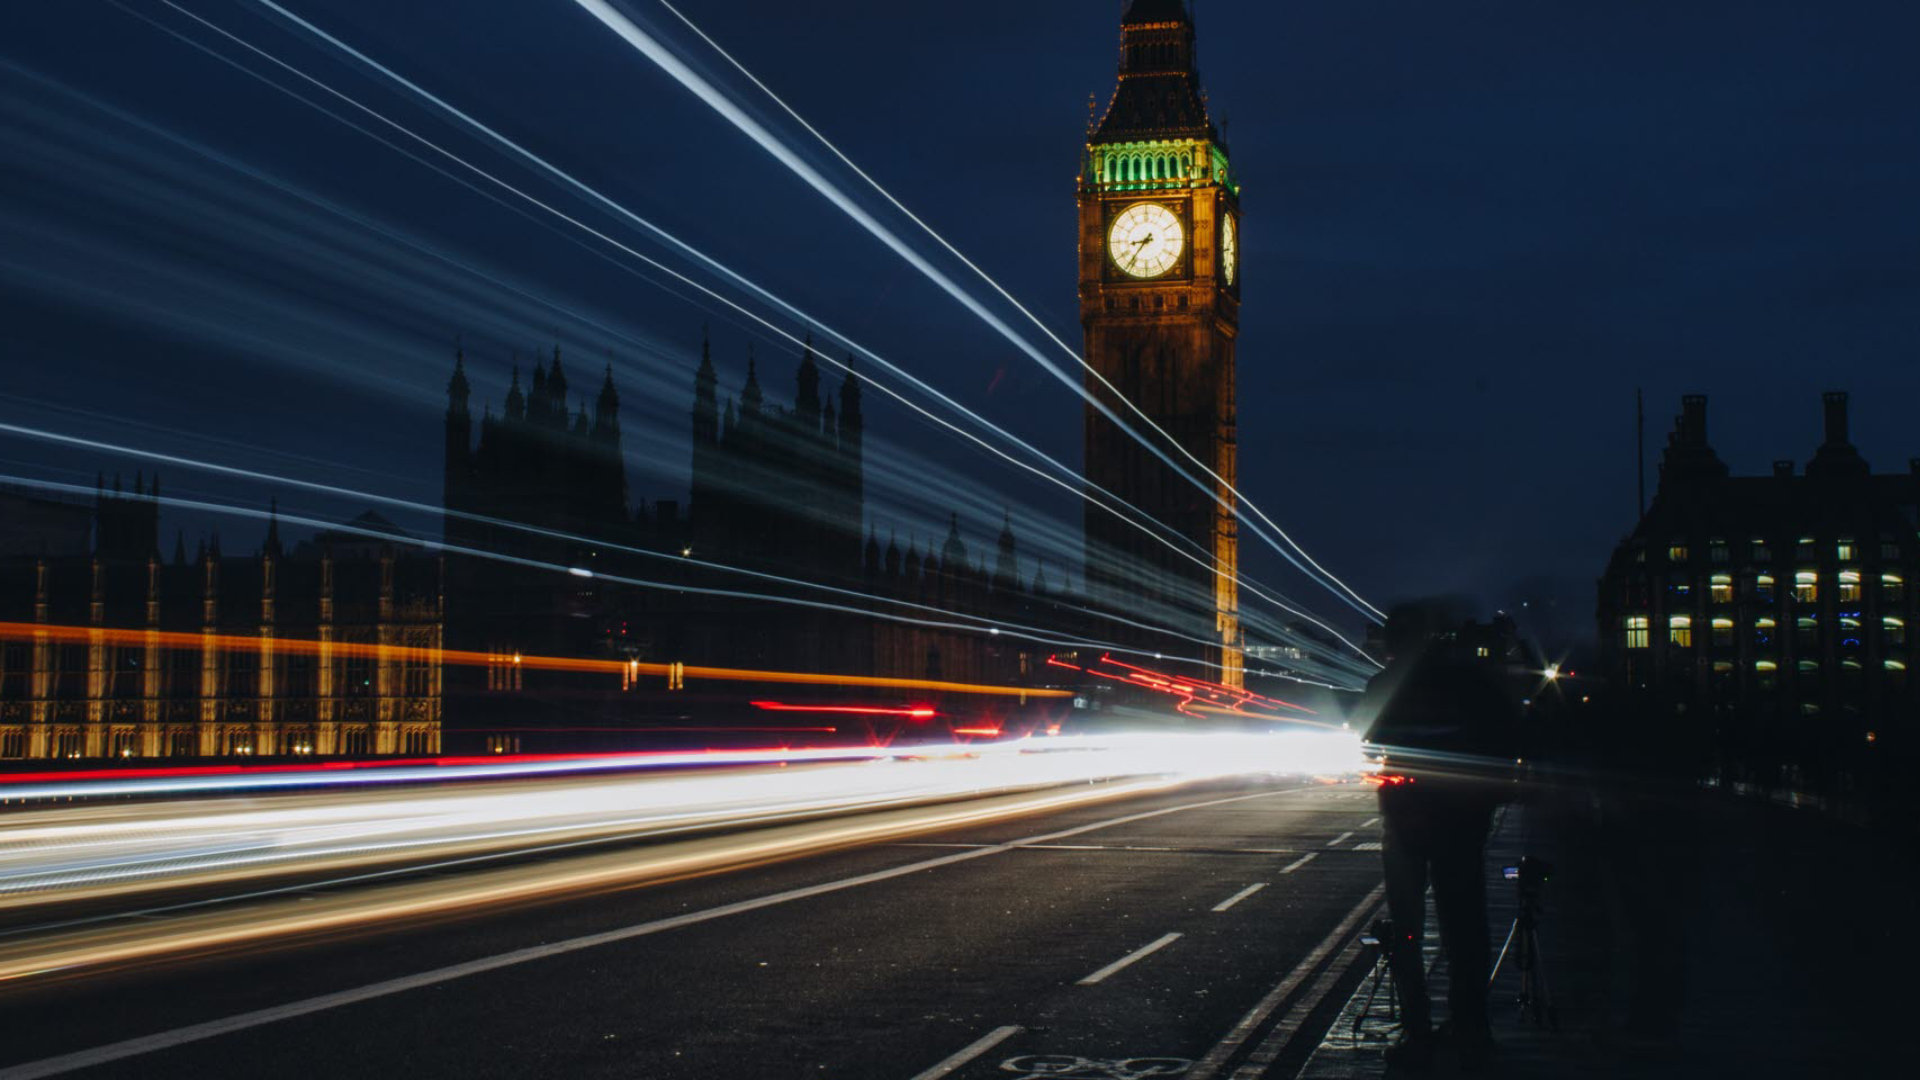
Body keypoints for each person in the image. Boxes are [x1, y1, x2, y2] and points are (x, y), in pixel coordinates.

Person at [1359, 601, 1523, 1071]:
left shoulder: (1385, 684)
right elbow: (1509, 737)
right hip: (1462, 818)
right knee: (1465, 925)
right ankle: (1471, 1026)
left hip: (1406, 820)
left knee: (1407, 929)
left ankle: (1417, 1030)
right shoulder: (1471, 682)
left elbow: (1366, 738)